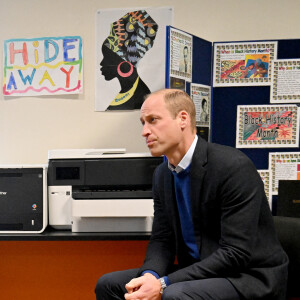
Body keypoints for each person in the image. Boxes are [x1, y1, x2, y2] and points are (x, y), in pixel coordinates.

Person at [95, 89, 288, 300]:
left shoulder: (232, 167)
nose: (145, 131)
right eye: (143, 123)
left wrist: (162, 284)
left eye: (153, 120)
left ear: (183, 119)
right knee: (109, 285)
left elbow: (235, 253)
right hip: (197, 272)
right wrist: (151, 276)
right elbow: (162, 240)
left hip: (248, 276)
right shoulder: (162, 174)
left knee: (174, 294)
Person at [99, 10, 158, 110]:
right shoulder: (128, 91)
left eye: (107, 58)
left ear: (124, 64)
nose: (101, 63)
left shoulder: (141, 95)